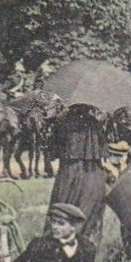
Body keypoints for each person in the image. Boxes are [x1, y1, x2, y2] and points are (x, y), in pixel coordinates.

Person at [48, 104, 108, 252]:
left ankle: (57, 245)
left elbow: (53, 151)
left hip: (68, 172)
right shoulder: (94, 123)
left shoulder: (61, 122)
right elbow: (102, 150)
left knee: (63, 205)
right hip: (91, 173)